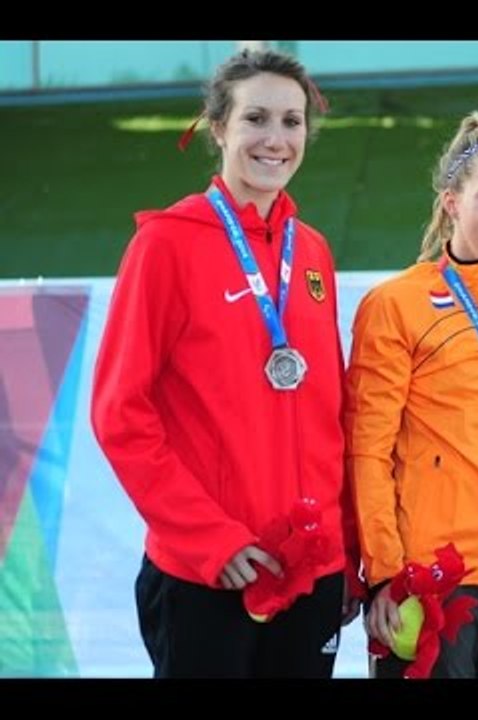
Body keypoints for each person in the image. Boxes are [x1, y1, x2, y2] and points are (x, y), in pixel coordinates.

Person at [91, 48, 361, 678]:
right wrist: (209, 537)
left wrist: (345, 549)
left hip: (312, 567)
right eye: (255, 119)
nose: (276, 139)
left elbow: (333, 413)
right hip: (209, 571)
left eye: (292, 122)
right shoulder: (165, 244)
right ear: (218, 128)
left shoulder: (312, 251)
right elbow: (119, 414)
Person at [344, 111, 478, 678]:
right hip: (432, 574)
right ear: (452, 203)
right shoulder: (396, 304)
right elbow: (367, 449)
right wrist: (384, 572)